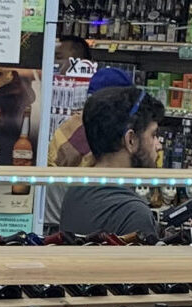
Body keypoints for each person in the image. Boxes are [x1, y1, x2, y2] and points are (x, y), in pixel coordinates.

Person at [56, 84, 163, 242]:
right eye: (153, 135)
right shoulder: (134, 213)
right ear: (131, 140)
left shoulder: (76, 191)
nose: (158, 145)